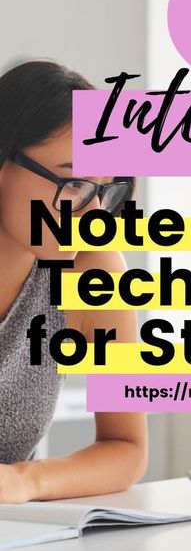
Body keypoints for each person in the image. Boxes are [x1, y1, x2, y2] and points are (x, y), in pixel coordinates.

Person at [0, 59, 147, 503]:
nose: (92, 214)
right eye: (73, 184)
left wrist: (25, 480)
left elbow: (126, 448)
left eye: (106, 190)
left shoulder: (93, 268)